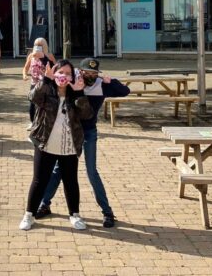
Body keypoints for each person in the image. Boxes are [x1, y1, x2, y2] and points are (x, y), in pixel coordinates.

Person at [37, 58, 130, 228]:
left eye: (94, 73)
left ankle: (107, 212)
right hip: (70, 132)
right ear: (80, 71)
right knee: (58, 170)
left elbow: (125, 91)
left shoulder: (102, 84)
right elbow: (48, 92)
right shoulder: (71, 80)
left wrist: (112, 81)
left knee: (91, 171)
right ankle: (44, 204)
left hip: (88, 132)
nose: (90, 76)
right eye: (86, 72)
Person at [20, 60, 92, 231]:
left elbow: (87, 114)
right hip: (46, 144)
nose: (64, 76)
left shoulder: (75, 94)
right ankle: (28, 215)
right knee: (39, 180)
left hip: (68, 145)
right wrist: (45, 80)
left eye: (68, 73)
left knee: (71, 181)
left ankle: (74, 215)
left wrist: (79, 92)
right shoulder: (47, 90)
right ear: (54, 73)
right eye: (61, 72)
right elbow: (32, 97)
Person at [22, 38, 56, 129]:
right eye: (36, 45)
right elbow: (25, 68)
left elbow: (56, 68)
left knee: (45, 104)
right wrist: (25, 75)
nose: (38, 47)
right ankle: (32, 122)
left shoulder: (49, 55)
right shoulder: (31, 56)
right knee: (32, 104)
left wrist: (45, 58)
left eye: (41, 45)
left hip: (45, 83)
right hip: (34, 83)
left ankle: (45, 123)